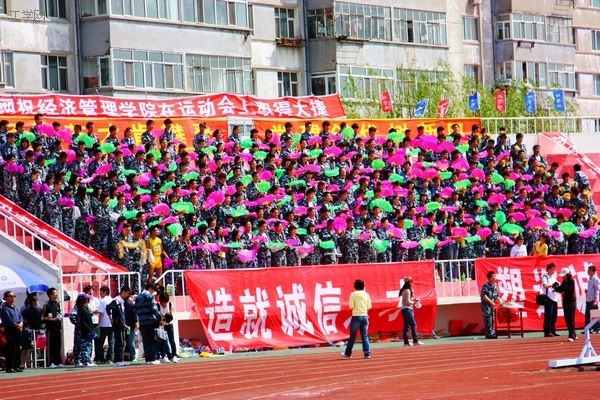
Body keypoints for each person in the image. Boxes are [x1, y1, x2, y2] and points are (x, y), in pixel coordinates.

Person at [342, 279, 372, 359]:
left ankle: (347, 354)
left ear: (355, 286)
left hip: (356, 316)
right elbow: (369, 306)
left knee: (352, 336)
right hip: (365, 316)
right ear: (363, 286)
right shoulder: (366, 294)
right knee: (365, 336)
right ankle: (367, 354)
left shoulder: (353, 294)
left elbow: (351, 306)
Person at [135, 282, 162, 365]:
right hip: (151, 321)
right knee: (152, 340)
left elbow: (135, 310)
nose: (152, 292)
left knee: (146, 341)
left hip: (142, 322)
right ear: (150, 288)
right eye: (152, 290)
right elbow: (154, 309)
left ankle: (148, 359)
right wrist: (159, 317)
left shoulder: (138, 297)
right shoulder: (149, 296)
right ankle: (152, 358)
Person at [107, 286, 131, 367]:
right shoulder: (116, 300)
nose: (127, 295)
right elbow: (108, 307)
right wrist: (110, 317)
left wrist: (124, 323)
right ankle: (117, 360)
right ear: (123, 292)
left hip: (121, 324)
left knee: (122, 342)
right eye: (127, 293)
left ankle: (120, 359)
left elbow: (121, 314)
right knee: (119, 342)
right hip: (117, 325)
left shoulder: (121, 301)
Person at [0, 291, 23, 373]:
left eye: (14, 296)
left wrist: (21, 323)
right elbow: (8, 319)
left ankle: (16, 366)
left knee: (18, 348)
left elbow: (20, 317)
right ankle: (9, 367)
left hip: (18, 330)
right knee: (11, 348)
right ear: (6, 298)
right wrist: (16, 325)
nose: (13, 298)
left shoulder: (15, 307)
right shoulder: (4, 308)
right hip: (10, 330)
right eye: (11, 296)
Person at [20, 293, 43, 369]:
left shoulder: (39, 309)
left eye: (36, 301)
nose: (36, 302)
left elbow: (41, 319)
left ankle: (35, 362)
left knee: (38, 346)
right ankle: (23, 362)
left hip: (37, 329)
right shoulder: (26, 310)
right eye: (35, 301)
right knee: (26, 347)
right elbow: (23, 319)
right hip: (28, 330)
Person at [42, 287, 63, 368]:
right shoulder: (47, 305)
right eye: (55, 293)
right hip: (50, 329)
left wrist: (59, 317)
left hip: (58, 327)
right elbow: (43, 317)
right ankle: (51, 362)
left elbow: (59, 313)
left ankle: (58, 362)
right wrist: (53, 319)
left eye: (57, 293)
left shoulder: (57, 304)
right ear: (50, 295)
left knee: (58, 345)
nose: (56, 295)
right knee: (51, 345)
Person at [554, 267, 577, 341]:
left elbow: (569, 290)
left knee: (571, 319)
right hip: (566, 301)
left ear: (567, 274)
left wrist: (562, 289)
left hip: (571, 302)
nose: (563, 277)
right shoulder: (564, 281)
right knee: (567, 319)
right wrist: (555, 287)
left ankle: (571, 335)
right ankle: (573, 334)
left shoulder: (571, 281)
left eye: (564, 275)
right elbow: (560, 289)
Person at [73, 293, 96, 367]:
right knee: (80, 346)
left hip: (88, 329)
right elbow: (74, 318)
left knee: (88, 345)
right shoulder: (79, 308)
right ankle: (80, 360)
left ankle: (87, 359)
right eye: (87, 299)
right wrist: (78, 324)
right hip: (81, 330)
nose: (88, 300)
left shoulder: (86, 307)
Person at [399, 277, 423, 346]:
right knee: (413, 324)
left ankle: (406, 343)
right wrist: (415, 302)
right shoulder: (407, 290)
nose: (412, 283)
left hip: (405, 309)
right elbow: (407, 302)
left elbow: (407, 300)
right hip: (407, 309)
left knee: (406, 327)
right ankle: (415, 341)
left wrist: (414, 300)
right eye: (411, 282)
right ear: (409, 283)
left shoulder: (405, 290)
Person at [95, 286, 114, 364]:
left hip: (104, 324)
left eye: (101, 292)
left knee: (100, 342)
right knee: (111, 342)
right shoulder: (113, 300)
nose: (100, 294)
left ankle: (101, 358)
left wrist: (99, 324)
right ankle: (109, 358)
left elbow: (101, 313)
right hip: (111, 324)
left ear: (105, 292)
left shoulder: (103, 301)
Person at [481, 271, 502, 339]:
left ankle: (492, 332)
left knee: (492, 318)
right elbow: (484, 295)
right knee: (488, 318)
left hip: (492, 305)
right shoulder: (486, 285)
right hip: (486, 305)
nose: (495, 278)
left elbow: (497, 295)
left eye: (495, 276)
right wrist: (491, 302)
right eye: (493, 277)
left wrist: (500, 300)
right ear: (489, 278)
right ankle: (488, 333)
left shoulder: (495, 286)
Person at [158, 292, 178, 363]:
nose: (164, 304)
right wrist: (162, 319)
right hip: (161, 326)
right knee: (162, 341)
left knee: (171, 340)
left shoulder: (170, 304)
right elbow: (158, 316)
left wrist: (163, 315)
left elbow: (171, 316)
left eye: (165, 302)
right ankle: (163, 356)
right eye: (162, 303)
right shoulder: (157, 305)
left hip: (169, 324)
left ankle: (174, 355)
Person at [541, 263, 559, 337]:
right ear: (548, 269)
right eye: (553, 269)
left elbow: (557, 285)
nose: (554, 271)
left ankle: (553, 331)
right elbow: (545, 285)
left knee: (554, 316)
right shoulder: (545, 276)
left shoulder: (554, 277)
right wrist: (552, 285)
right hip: (548, 298)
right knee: (548, 316)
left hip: (555, 298)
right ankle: (547, 332)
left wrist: (557, 287)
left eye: (554, 269)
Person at [584, 264, 600, 333]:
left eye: (590, 271)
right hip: (588, 300)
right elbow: (592, 289)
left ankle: (597, 329)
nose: (588, 272)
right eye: (588, 270)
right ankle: (588, 329)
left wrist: (596, 300)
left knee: (595, 315)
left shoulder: (596, 279)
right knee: (587, 316)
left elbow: (597, 290)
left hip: (593, 300)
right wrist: (587, 291)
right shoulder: (590, 279)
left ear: (594, 271)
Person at [124, 293, 139, 362]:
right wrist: (136, 322)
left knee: (126, 341)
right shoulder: (130, 304)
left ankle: (127, 355)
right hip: (129, 326)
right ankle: (132, 356)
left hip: (124, 325)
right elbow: (134, 314)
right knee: (130, 340)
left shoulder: (122, 303)